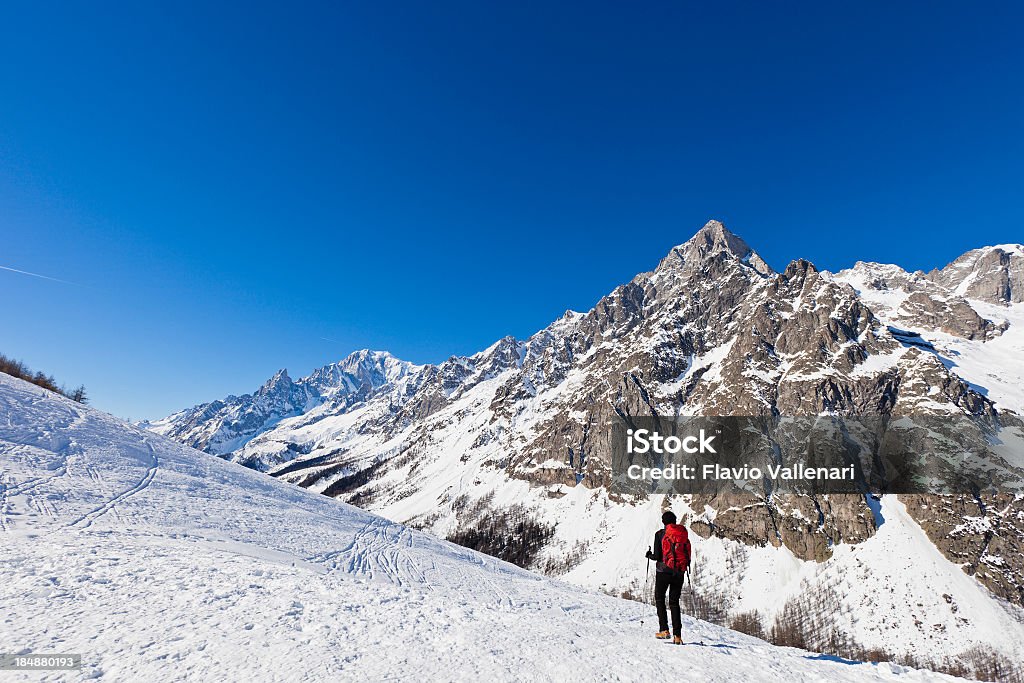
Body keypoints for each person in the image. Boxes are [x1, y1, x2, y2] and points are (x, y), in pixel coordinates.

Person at [645, 510, 690, 645]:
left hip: (663, 572)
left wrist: (649, 555)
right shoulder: (682, 534)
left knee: (659, 598)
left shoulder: (659, 534)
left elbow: (658, 556)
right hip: (679, 572)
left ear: (663, 522)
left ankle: (664, 630)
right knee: (674, 602)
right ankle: (677, 636)